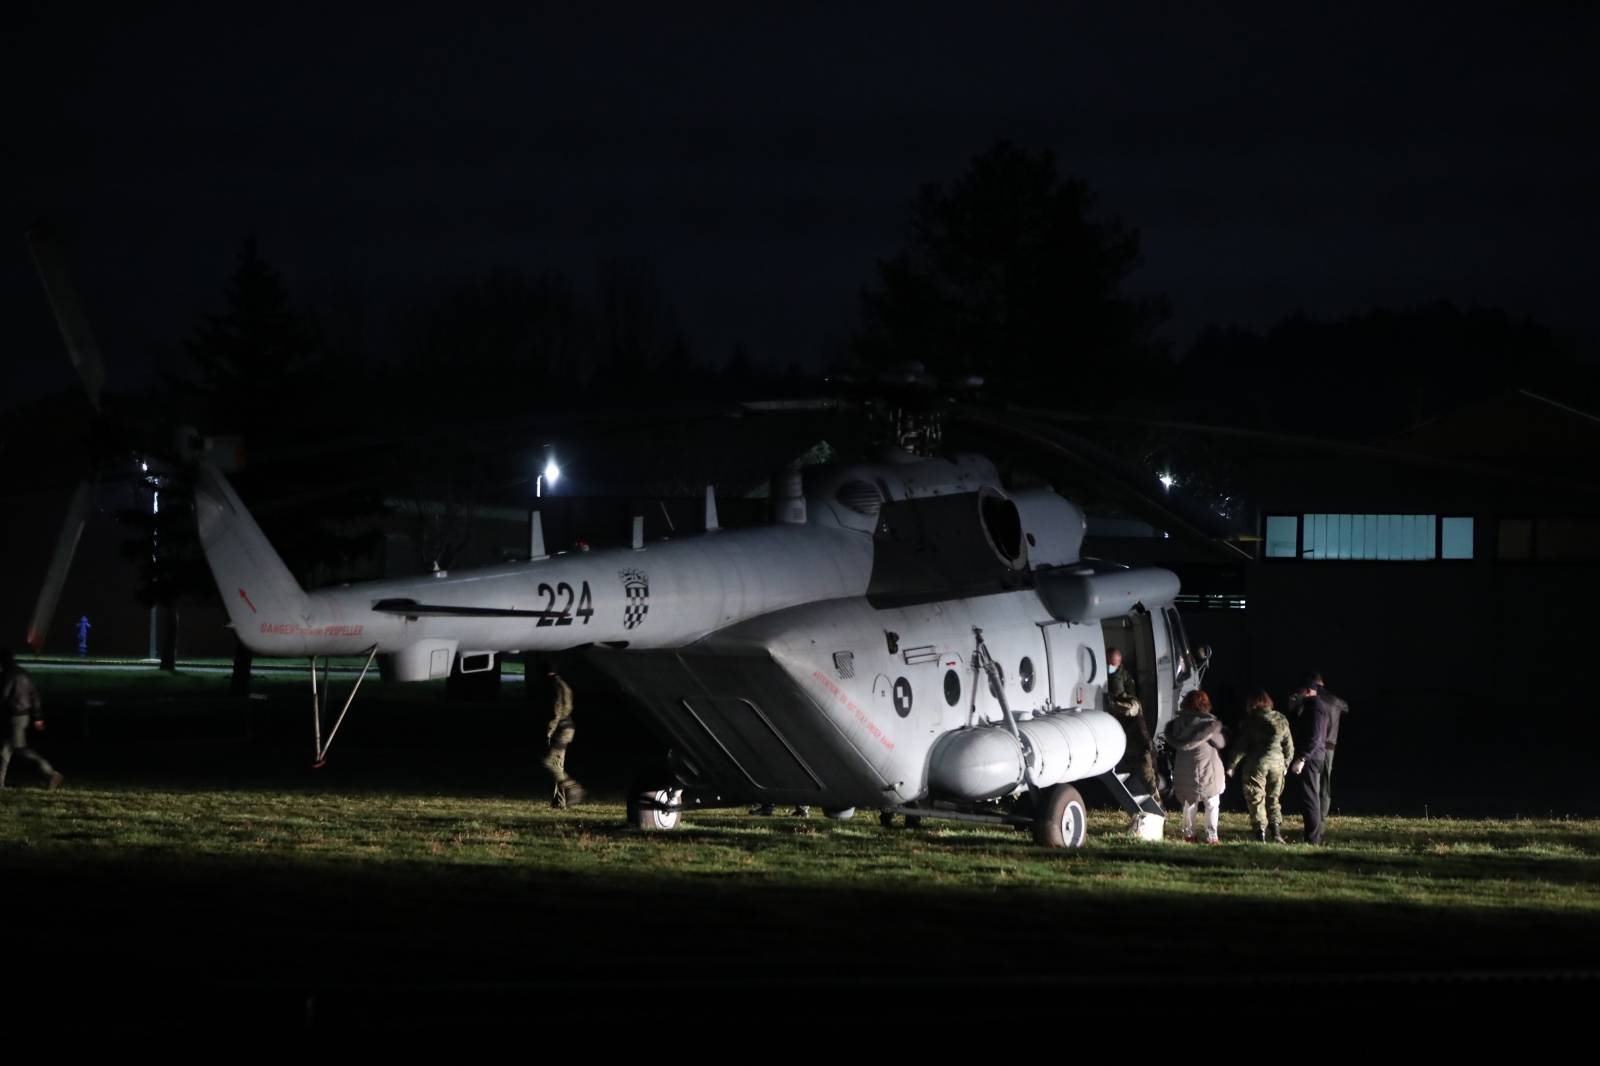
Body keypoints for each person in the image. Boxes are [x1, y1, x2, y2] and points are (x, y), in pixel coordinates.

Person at [1226, 690, 1294, 842]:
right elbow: (1288, 745)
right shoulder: (1280, 718)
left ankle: (1260, 834)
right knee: (1273, 799)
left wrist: (1232, 764)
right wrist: (1286, 764)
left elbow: (1241, 746)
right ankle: (1276, 833)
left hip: (1256, 764)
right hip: (1277, 763)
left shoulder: (1250, 721)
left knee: (1256, 798)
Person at [1106, 647, 1161, 819]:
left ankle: (1159, 816)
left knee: (1150, 786)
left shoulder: (1132, 702)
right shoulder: (1121, 702)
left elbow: (1129, 710)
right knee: (1138, 786)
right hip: (1130, 751)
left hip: (1142, 751)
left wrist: (1112, 705)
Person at [1165, 689, 1226, 843]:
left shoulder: (1176, 725)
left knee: (1188, 803)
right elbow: (1221, 743)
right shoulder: (1209, 725)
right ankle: (1211, 836)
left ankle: (1188, 835)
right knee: (1212, 803)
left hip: (1185, 773)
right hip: (1208, 772)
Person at [0, 649, 63, 790]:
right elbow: (34, 695)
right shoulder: (23, 674)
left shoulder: (7, 675)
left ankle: (50, 774)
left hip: (13, 717)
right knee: (7, 749)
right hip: (24, 716)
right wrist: (38, 717)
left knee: (18, 749)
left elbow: (3, 695)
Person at [1289, 677, 1332, 845]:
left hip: (1312, 758)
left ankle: (1313, 839)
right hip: (1313, 756)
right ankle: (1312, 836)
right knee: (1310, 797)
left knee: (1311, 799)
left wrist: (1302, 758)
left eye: (1299, 692)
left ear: (1307, 691)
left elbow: (1314, 737)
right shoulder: (1310, 707)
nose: (1297, 695)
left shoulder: (1315, 708)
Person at [1304, 672, 1348, 823]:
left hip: (1316, 746)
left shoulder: (1313, 700)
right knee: (1325, 783)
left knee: (1313, 783)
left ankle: (1314, 817)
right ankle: (1321, 817)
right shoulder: (1334, 700)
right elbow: (1346, 707)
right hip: (1330, 746)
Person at [542, 664, 584, 808]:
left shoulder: (556, 687)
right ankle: (559, 803)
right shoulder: (564, 685)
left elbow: (557, 710)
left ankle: (572, 787)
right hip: (567, 728)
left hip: (561, 729)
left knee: (549, 763)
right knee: (558, 765)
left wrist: (550, 730)